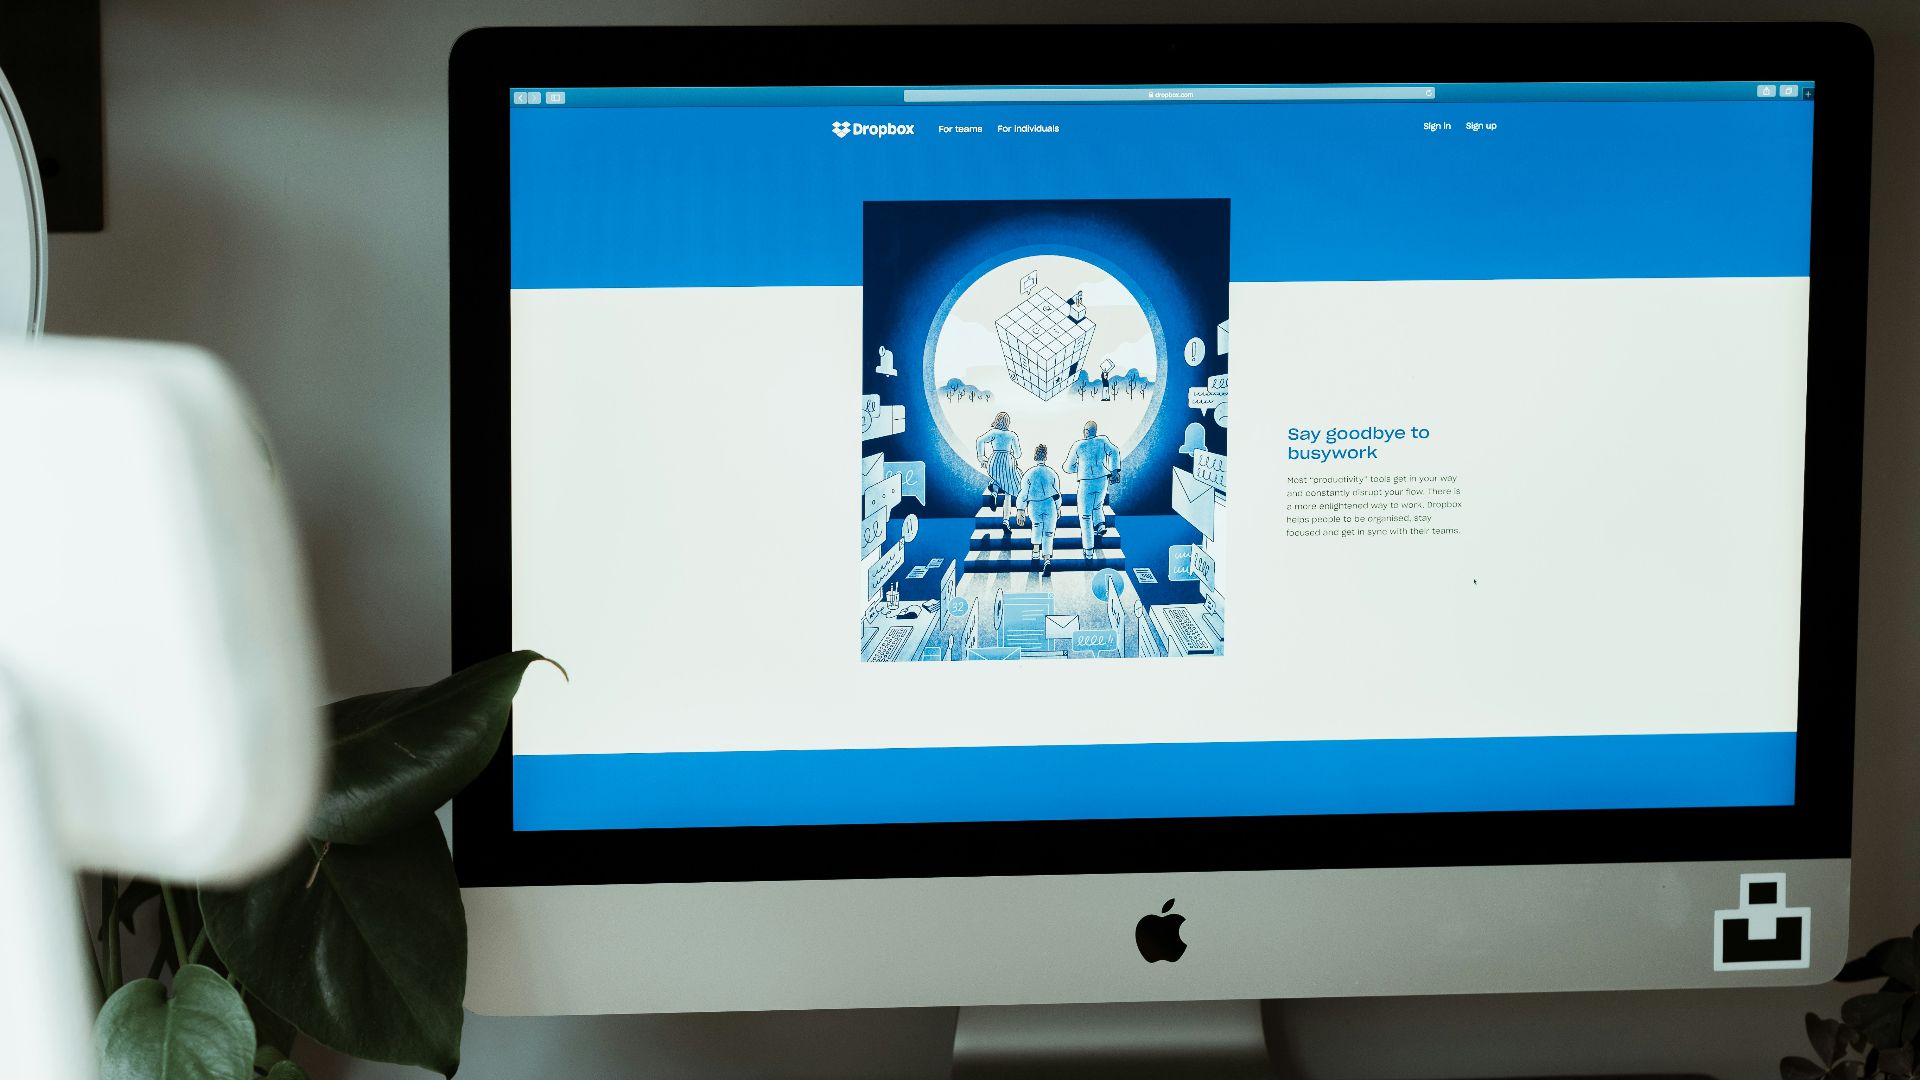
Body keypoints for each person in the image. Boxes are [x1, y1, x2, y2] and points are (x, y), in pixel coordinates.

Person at [1064, 420, 1121, 559]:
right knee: (1097, 505)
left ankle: (1089, 551)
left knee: (1085, 516)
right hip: (1102, 479)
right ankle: (1100, 525)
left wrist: (1079, 468)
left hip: (1086, 481)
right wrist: (1114, 471)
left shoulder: (1079, 445)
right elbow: (1114, 451)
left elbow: (1067, 467)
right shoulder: (1102, 440)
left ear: (1086, 431)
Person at [1016, 443, 1062, 576]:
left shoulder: (1029, 474)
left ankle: (1035, 552)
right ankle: (1047, 560)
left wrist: (1020, 509)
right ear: (1046, 456)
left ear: (1035, 456)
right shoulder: (1052, 473)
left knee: (1036, 527)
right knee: (1048, 533)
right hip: (1049, 504)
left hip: (1034, 505)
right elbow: (1057, 493)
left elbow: (1023, 493)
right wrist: (1058, 507)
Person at [974, 411, 1023, 532]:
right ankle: (1006, 521)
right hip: (1007, 462)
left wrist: (981, 457)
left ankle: (994, 493)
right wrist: (1011, 453)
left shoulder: (993, 432)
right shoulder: (1012, 435)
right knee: (1008, 490)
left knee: (997, 478)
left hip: (994, 462)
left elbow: (979, 440)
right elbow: (1018, 454)